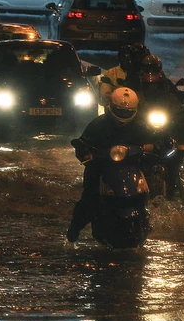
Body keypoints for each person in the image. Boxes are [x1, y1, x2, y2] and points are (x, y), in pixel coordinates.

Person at [67, 88, 157, 242]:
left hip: (134, 169)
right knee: (89, 198)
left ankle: (148, 220)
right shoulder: (98, 125)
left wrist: (152, 149)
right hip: (102, 168)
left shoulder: (142, 126)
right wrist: (86, 155)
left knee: (154, 189)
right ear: (111, 107)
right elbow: (83, 144)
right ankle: (73, 232)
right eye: (120, 112)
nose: (123, 116)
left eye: (127, 112)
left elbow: (159, 143)